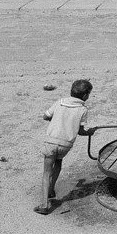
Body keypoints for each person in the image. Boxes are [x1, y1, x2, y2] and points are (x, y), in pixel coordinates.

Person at [35, 79, 94, 215]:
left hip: (51, 142)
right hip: (65, 145)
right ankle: (51, 190)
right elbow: (80, 131)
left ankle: (44, 205)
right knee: (58, 164)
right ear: (85, 95)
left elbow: (45, 116)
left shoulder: (60, 102)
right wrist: (90, 132)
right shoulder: (83, 109)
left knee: (46, 172)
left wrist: (55, 119)